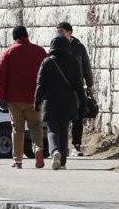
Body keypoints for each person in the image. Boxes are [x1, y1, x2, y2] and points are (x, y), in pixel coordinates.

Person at [0, 26, 48, 168]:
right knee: (36, 126)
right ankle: (38, 149)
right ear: (27, 35)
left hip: (14, 98)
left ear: (14, 37)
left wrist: (0, 96)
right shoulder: (40, 51)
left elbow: (0, 75)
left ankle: (18, 160)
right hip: (34, 97)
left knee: (17, 129)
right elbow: (48, 71)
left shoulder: (8, 52)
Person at [34, 36, 88, 170]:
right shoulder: (73, 62)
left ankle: (54, 152)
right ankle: (62, 161)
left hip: (50, 102)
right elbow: (79, 86)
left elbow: (40, 85)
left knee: (52, 130)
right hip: (67, 102)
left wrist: (36, 102)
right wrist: (83, 101)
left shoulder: (46, 62)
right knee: (64, 131)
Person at [58, 22, 95, 157]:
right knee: (61, 118)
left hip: (77, 87)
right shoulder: (55, 45)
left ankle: (76, 145)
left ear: (69, 32)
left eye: (61, 31)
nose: (59, 34)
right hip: (60, 88)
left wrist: (89, 86)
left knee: (77, 117)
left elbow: (86, 67)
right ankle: (61, 147)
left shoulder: (79, 48)